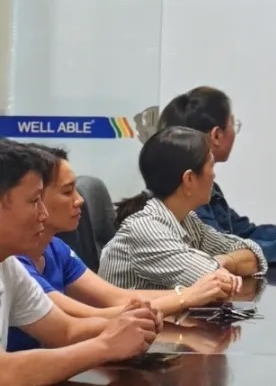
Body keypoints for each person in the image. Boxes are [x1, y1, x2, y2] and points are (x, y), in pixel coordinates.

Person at [8, 144, 238, 351]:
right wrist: (184, 298)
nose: (80, 200)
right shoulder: (14, 260)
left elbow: (118, 298)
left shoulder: (55, 248)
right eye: (67, 192)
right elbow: (78, 323)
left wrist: (192, 295)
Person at [0, 140, 159, 384]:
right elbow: (5, 373)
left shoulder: (8, 265)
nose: (43, 214)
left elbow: (65, 331)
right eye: (34, 201)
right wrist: (106, 345)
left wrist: (131, 324)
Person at [160, 86, 276, 265]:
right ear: (217, 135)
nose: (234, 132)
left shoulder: (202, 185)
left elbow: (245, 233)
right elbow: (229, 251)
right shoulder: (186, 192)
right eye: (233, 124)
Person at [99, 126, 268, 290]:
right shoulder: (146, 229)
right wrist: (222, 265)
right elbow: (215, 281)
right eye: (211, 166)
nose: (214, 175)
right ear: (189, 179)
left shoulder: (187, 220)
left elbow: (254, 256)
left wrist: (226, 261)